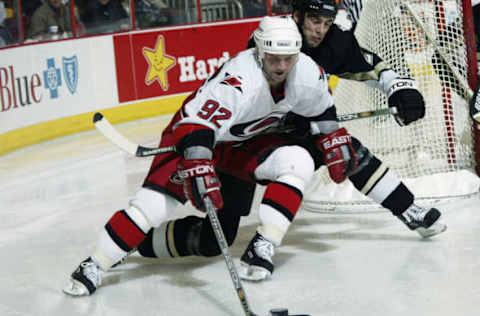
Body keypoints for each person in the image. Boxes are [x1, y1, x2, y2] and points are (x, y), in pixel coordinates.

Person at [135, 0, 442, 283]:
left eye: (326, 21)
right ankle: (140, 241)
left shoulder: (334, 39)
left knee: (348, 151)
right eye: (313, 21)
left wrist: (397, 87)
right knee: (215, 240)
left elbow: (366, 64)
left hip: (291, 137)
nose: (319, 30)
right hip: (246, 144)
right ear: (297, 15)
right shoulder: (272, 40)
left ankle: (408, 209)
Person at [64, 15, 360, 295]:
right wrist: (197, 162)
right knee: (151, 208)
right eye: (273, 58)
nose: (281, 67)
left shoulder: (308, 71)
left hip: (244, 143)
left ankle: (262, 246)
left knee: (299, 161)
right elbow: (196, 124)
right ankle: (96, 263)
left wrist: (331, 135)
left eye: (288, 59)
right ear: (259, 51)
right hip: (195, 138)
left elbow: (322, 113)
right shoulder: (239, 79)